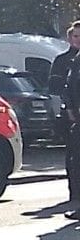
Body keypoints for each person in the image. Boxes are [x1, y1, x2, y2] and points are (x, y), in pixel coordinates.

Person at [49, 20, 80, 218]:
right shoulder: (64, 60)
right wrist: (68, 108)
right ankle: (75, 197)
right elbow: (62, 87)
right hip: (71, 117)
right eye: (76, 36)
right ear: (69, 38)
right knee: (74, 159)